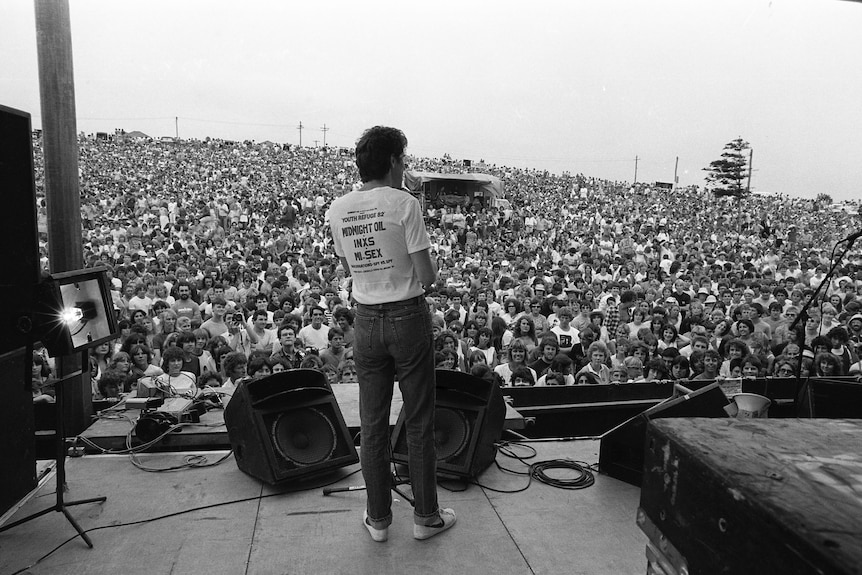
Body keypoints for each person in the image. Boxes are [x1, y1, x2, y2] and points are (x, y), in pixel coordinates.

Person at [327, 126, 455, 543]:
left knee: (372, 421)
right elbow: (427, 276)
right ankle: (425, 518)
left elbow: (349, 268)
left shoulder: (338, 208)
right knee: (418, 420)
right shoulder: (405, 203)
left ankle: (378, 520)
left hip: (364, 320)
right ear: (395, 161)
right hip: (407, 316)